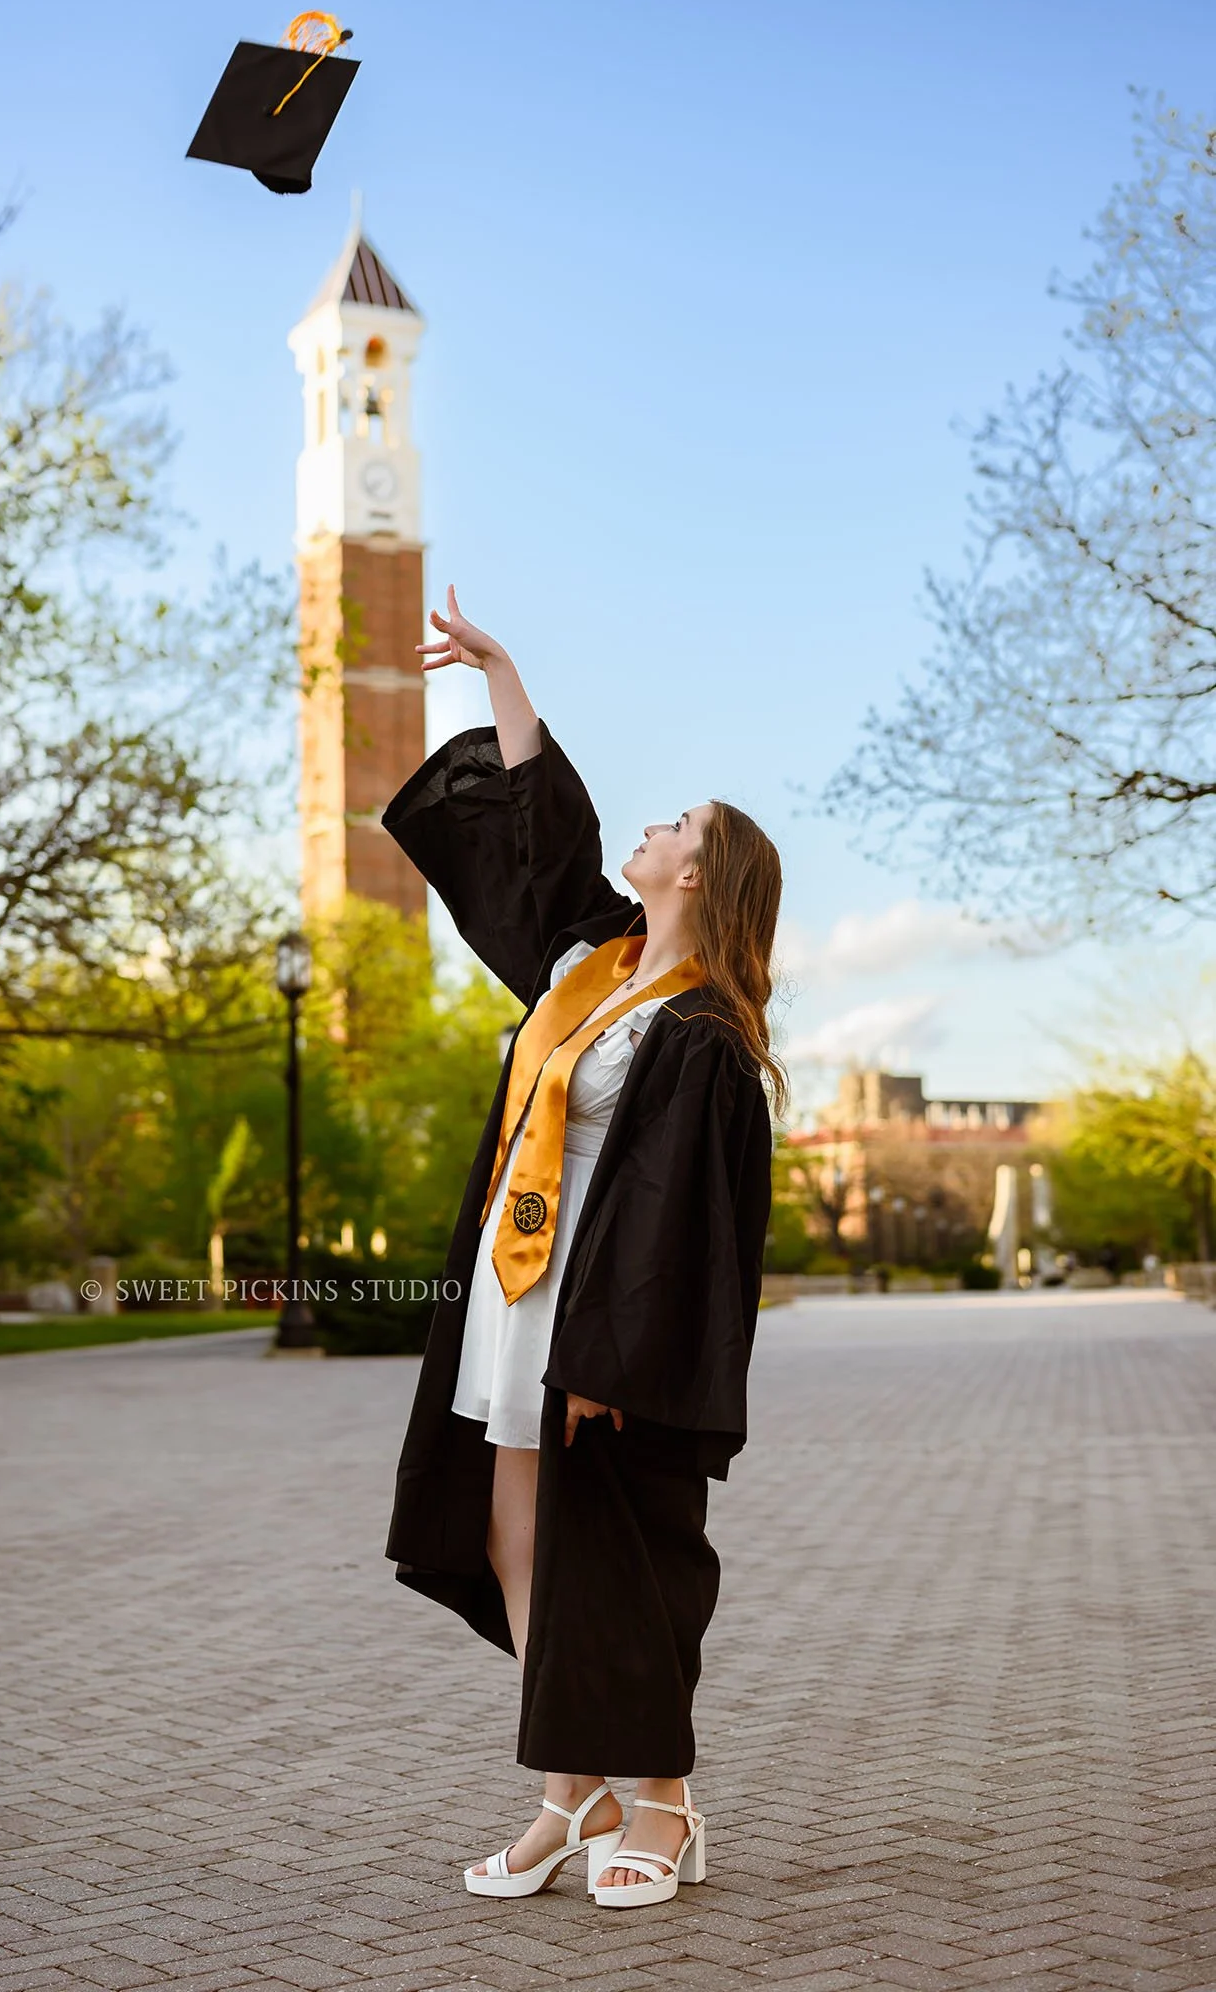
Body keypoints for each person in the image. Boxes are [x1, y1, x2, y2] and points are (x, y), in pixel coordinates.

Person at [380, 587, 786, 1908]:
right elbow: (543, 838)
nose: (651, 826)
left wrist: (624, 1353)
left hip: (602, 1320)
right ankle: (572, 1789)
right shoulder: (592, 968)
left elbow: (684, 1214)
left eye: (677, 826)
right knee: (512, 1541)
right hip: (514, 1297)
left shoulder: (703, 1034)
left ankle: (660, 1802)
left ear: (699, 878)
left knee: (628, 1550)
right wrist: (502, 677)